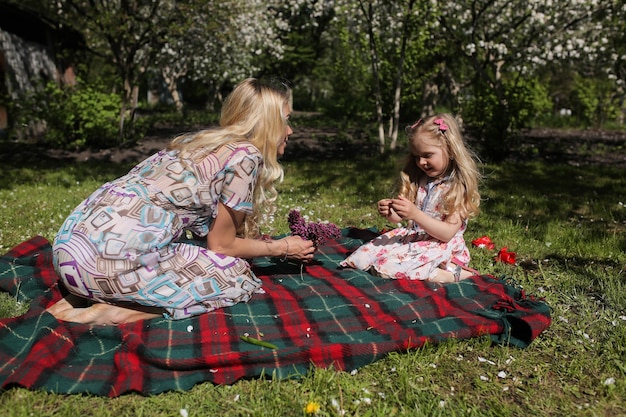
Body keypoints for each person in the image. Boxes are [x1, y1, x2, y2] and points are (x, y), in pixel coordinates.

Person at [46, 78, 316, 326]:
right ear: (268, 122)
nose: (290, 130)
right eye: (286, 120)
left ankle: (81, 294)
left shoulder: (196, 141)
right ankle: (117, 311)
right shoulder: (245, 156)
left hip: (70, 248)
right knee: (236, 276)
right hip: (109, 259)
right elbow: (221, 245)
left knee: (193, 251)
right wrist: (281, 248)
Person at [340, 114, 481, 282]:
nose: (421, 162)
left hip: (440, 245)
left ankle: (450, 274)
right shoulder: (418, 178)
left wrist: (415, 215)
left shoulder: (457, 187)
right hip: (414, 238)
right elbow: (400, 218)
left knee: (387, 268)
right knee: (364, 257)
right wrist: (392, 211)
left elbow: (447, 234)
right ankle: (426, 269)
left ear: (450, 150)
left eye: (427, 155)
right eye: (416, 156)